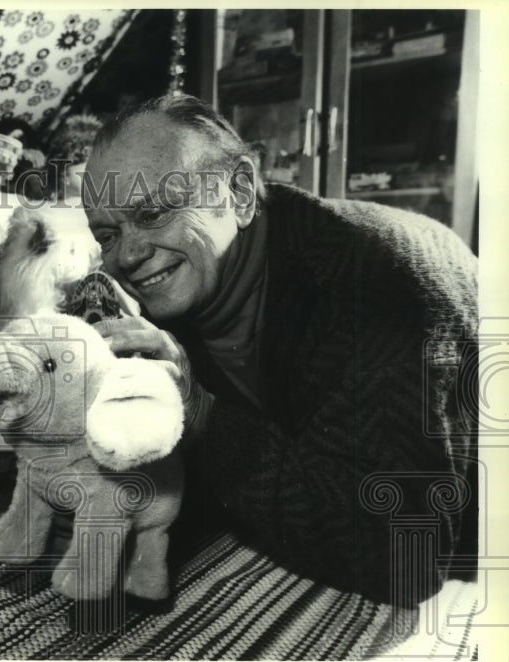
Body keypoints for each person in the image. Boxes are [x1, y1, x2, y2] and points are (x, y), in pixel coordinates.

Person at [83, 94, 478, 607]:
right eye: (107, 235)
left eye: (154, 213)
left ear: (241, 191)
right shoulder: (169, 293)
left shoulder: (371, 281)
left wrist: (198, 410)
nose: (130, 254)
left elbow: (405, 559)